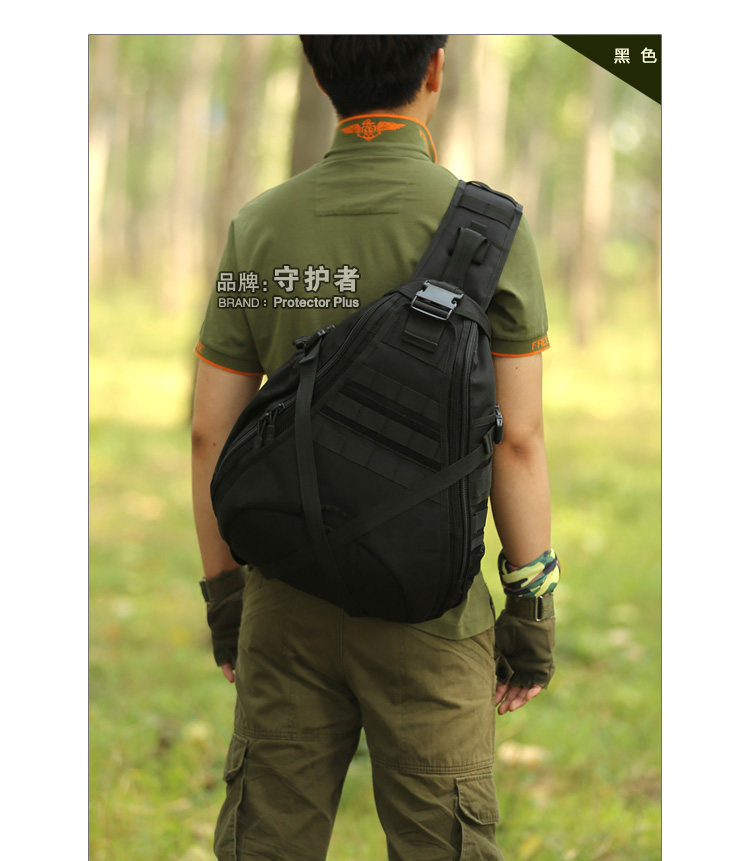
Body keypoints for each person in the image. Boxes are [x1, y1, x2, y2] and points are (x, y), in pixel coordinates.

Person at [191, 35, 558, 861]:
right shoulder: (489, 231)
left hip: (284, 601)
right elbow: (519, 441)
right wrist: (531, 611)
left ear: (317, 72)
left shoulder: (260, 226)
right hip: (433, 611)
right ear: (435, 67)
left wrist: (226, 601)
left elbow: (212, 431)